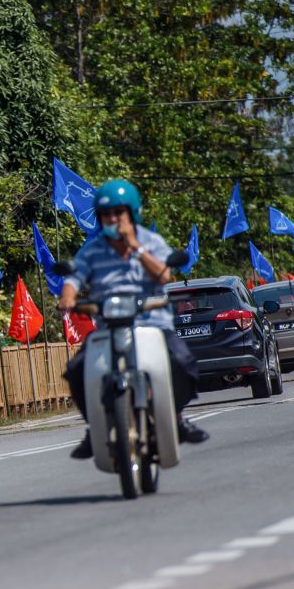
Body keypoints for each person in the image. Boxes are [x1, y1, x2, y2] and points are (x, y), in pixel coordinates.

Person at [57, 179, 209, 459]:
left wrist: (136, 248)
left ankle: (175, 417)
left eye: (118, 213)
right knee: (77, 369)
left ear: (132, 213)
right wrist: (68, 297)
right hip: (109, 326)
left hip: (153, 325)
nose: (112, 219)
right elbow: (75, 276)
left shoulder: (151, 242)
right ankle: (95, 429)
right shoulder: (93, 249)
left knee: (182, 363)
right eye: (106, 215)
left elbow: (164, 276)